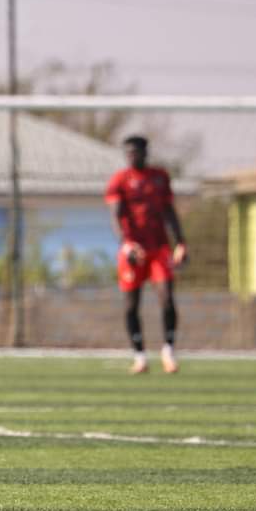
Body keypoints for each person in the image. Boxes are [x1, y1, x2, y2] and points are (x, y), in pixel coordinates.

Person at [105, 135, 187, 374]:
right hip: (133, 251)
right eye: (128, 152)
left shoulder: (159, 178)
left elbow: (169, 212)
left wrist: (181, 242)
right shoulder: (120, 180)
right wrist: (126, 244)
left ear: (145, 152)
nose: (132, 156)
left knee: (167, 297)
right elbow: (116, 215)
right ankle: (139, 356)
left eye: (136, 152)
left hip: (159, 248)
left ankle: (168, 350)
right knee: (131, 305)